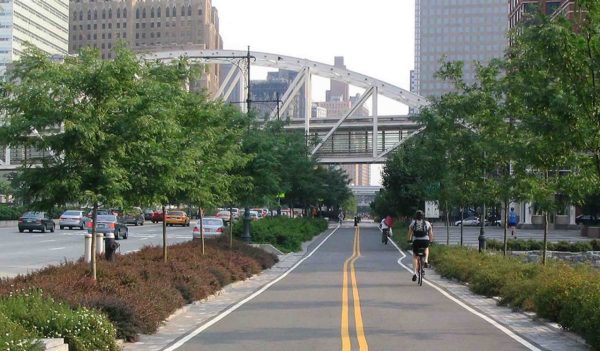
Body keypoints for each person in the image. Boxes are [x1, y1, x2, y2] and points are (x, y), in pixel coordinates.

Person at [407, 210, 433, 282]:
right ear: (423, 216)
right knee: (426, 248)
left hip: (416, 241)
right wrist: (430, 241)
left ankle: (414, 273)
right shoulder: (427, 223)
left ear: (416, 216)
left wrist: (409, 240)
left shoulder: (413, 223)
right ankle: (426, 260)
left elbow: (409, 233)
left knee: (415, 256)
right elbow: (430, 233)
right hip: (425, 241)